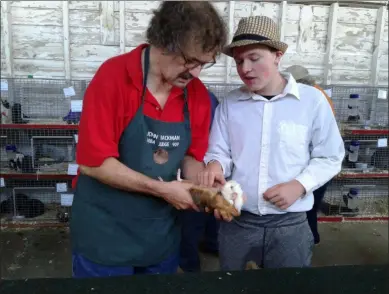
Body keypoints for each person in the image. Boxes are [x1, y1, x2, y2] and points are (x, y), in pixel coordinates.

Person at [69, 1, 228, 278]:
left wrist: (204, 187)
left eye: (204, 64)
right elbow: (93, 164)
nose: (195, 73)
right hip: (105, 234)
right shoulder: (114, 78)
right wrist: (165, 190)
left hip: (159, 235)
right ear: (162, 41)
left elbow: (191, 156)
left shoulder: (198, 95)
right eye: (189, 61)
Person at [199, 16, 345, 270]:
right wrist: (214, 166)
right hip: (238, 224)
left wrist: (299, 185)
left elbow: (330, 156)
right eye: (239, 60)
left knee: (289, 286)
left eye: (254, 58)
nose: (245, 68)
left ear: (277, 56)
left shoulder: (312, 102)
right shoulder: (230, 105)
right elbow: (220, 151)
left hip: (291, 225)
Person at [284, 65, 337, 245]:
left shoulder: (313, 98)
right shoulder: (318, 93)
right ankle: (312, 238)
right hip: (313, 159)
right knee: (311, 207)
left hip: (314, 162)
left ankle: (310, 239)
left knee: (309, 206)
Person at [179, 90, 220, 273]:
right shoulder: (209, 97)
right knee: (206, 213)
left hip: (198, 169)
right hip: (206, 168)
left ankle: (189, 265)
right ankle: (210, 245)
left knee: (190, 221)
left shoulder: (202, 98)